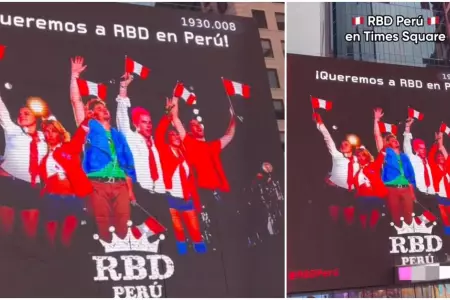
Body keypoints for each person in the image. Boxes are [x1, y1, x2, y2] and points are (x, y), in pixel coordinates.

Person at [69, 56, 137, 242]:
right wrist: (74, 76)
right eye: (99, 108)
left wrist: (130, 190)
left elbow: (127, 164)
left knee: (125, 225)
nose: (104, 109)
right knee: (103, 226)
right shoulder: (88, 127)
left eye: (105, 107)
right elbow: (76, 102)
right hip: (97, 183)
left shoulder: (117, 135)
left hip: (120, 184)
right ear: (91, 113)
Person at [115, 72, 167, 237]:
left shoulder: (154, 143)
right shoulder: (131, 137)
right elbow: (122, 116)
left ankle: (136, 235)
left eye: (150, 122)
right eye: (144, 122)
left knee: (162, 225)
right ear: (136, 124)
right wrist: (123, 88)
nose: (148, 125)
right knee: (148, 225)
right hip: (141, 190)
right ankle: (133, 239)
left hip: (159, 190)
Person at [155, 98, 205, 255]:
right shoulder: (164, 150)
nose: (175, 136)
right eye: (172, 134)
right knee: (178, 230)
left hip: (187, 197)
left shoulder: (185, 153)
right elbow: (159, 133)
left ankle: (202, 253)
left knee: (195, 229)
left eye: (176, 134)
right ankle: (182, 256)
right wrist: (167, 115)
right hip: (172, 197)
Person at [39, 115, 92, 247]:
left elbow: (81, 134)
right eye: (47, 131)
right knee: (50, 241)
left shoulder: (69, 148)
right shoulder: (43, 156)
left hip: (72, 198)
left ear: (60, 133)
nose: (50, 134)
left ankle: (66, 263)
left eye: (53, 130)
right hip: (51, 198)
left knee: (66, 239)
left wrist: (87, 118)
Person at [0, 95, 47, 239]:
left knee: (30, 235)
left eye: (26, 113)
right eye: (20, 114)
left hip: (32, 186)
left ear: (36, 117)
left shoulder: (46, 135)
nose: (22, 116)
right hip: (9, 183)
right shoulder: (12, 129)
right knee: (5, 233)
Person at [313, 113, 359, 225]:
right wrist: (320, 124)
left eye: (346, 144)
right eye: (342, 144)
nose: (343, 145)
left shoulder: (357, 160)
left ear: (351, 148)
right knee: (334, 221)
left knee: (350, 221)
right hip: (335, 191)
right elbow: (328, 138)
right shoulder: (337, 155)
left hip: (350, 192)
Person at [374, 108, 416, 226]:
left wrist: (412, 192)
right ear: (387, 143)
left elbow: (410, 176)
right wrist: (376, 120)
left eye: (396, 139)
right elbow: (377, 137)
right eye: (392, 140)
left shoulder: (404, 157)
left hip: (406, 188)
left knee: (409, 215)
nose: (395, 141)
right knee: (396, 215)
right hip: (391, 188)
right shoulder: (386, 153)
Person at [403, 118, 439, 219]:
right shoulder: (412, 158)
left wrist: (436, 141)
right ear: (416, 149)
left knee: (434, 218)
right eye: (421, 148)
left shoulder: (427, 161)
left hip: (431, 193)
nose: (424, 150)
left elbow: (433, 151)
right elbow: (406, 145)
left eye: (424, 148)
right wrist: (407, 127)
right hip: (419, 193)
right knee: (419, 217)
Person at [247, 162, 284, 246]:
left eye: (269, 166)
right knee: (267, 219)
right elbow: (259, 190)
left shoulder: (272, 177)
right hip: (264, 204)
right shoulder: (259, 177)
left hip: (273, 202)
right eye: (266, 167)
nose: (268, 168)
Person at [352, 147, 387, 230]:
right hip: (361, 196)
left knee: (374, 217)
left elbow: (382, 153)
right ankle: (364, 233)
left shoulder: (374, 165)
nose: (360, 157)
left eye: (363, 155)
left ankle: (372, 231)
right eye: (358, 156)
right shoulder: (356, 170)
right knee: (362, 218)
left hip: (375, 195)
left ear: (367, 156)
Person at [428, 132, 450, 234]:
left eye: (442, 156)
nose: (441, 157)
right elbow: (431, 154)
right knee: (444, 216)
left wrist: (441, 141)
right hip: (440, 194)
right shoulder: (434, 167)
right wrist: (436, 142)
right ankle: (447, 234)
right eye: (439, 156)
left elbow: (444, 152)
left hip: (448, 194)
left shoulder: (447, 166)